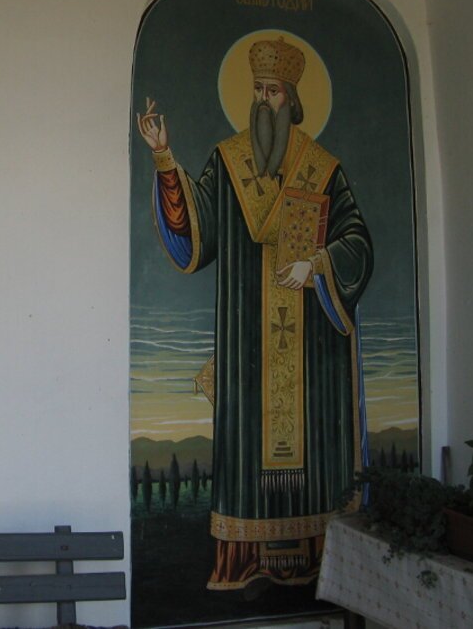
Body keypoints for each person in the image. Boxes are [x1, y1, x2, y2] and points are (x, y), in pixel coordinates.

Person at [137, 37, 373, 593]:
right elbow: (196, 229)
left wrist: (317, 264)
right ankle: (242, 560)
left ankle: (316, 557)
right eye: (258, 89)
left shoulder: (323, 169)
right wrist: (164, 158)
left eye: (274, 91)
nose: (264, 100)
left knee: (314, 450)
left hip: (311, 347)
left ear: (293, 99)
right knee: (246, 448)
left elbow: (358, 243)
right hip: (247, 342)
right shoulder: (229, 161)